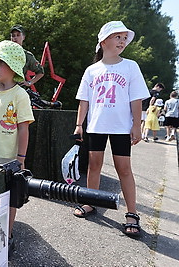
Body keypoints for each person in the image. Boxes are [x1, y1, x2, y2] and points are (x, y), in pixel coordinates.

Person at [72, 21, 150, 238]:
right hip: (96, 125)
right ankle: (90, 202)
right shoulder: (92, 70)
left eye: (125, 38)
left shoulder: (130, 66)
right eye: (118, 37)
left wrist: (136, 125)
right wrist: (79, 125)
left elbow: (136, 99)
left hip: (121, 127)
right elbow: (84, 101)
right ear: (103, 41)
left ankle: (132, 213)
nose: (123, 41)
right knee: (94, 165)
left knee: (123, 168)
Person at [0, 40, 35, 252]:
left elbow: (23, 128)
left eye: (0, 62)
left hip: (9, 159)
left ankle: (7, 233)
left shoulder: (20, 95)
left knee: (10, 198)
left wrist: (20, 158)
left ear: (13, 68)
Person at [10, 25, 44, 89]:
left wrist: (29, 83)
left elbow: (40, 72)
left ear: (23, 37)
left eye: (18, 35)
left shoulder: (27, 56)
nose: (15, 38)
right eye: (13, 35)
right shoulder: (4, 52)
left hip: (18, 90)